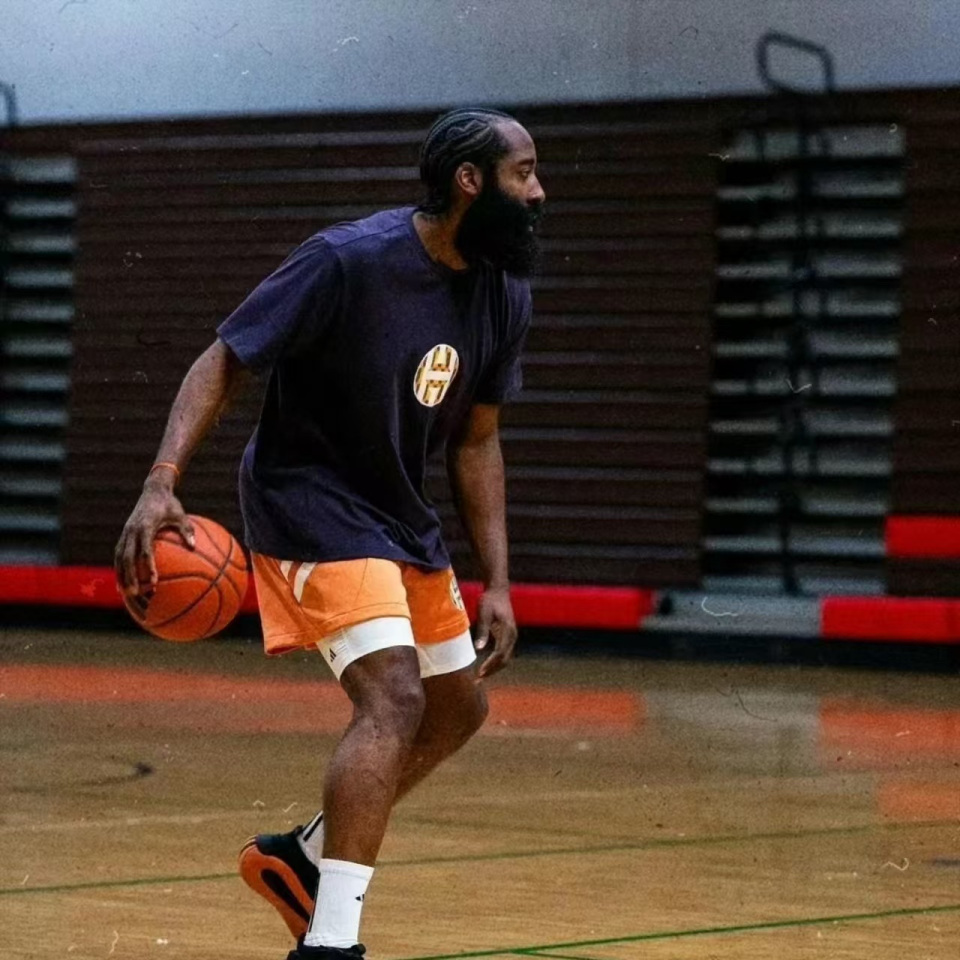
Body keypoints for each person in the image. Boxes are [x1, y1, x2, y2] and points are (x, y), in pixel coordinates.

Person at [114, 106, 545, 960]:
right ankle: (331, 944)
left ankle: (304, 858)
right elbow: (224, 358)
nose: (539, 192)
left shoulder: (503, 292)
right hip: (306, 499)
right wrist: (161, 480)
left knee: (459, 708)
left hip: (396, 512)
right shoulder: (348, 259)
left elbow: (477, 440)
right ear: (470, 182)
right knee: (395, 698)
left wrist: (496, 579)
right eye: (524, 172)